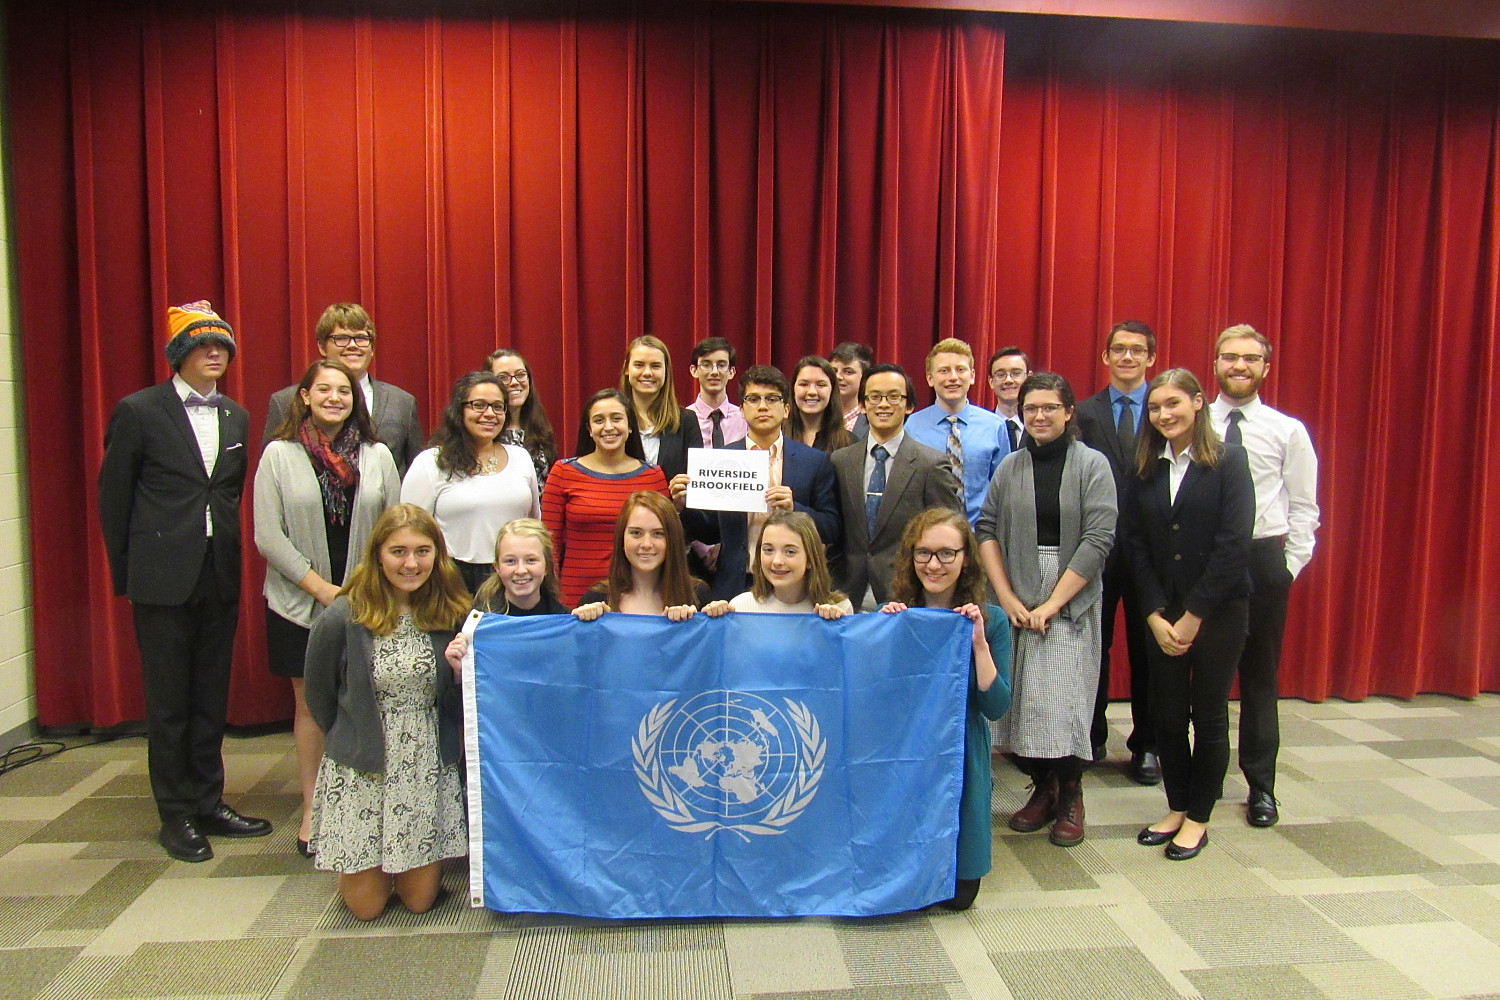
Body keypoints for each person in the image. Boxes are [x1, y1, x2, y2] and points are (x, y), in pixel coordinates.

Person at [98, 300, 271, 862]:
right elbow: (113, 498)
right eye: (203, 345)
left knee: (209, 695)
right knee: (169, 701)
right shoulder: (139, 410)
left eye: (223, 346)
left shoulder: (236, 416)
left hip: (218, 574)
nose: (215, 353)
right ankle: (175, 814)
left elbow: (228, 494)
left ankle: (208, 800)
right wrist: (129, 575)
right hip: (161, 579)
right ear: (179, 354)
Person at [255, 360, 401, 855]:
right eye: (324, 389)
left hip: (369, 600)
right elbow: (268, 535)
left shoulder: (378, 455)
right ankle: (313, 807)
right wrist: (322, 590)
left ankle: (372, 805)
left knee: (371, 700)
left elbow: (394, 528)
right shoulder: (278, 454)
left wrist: (361, 590)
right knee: (312, 706)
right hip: (297, 603)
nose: (335, 397)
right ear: (304, 396)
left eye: (344, 390)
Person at [303, 504, 471, 918]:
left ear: (437, 555)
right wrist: (349, 737)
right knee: (367, 907)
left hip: (424, 765)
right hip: (363, 766)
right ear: (378, 555)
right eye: (399, 551)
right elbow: (319, 695)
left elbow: (459, 704)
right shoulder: (345, 615)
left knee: (419, 902)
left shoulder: (450, 613)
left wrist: (456, 676)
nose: (411, 563)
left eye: (422, 551)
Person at [976, 373, 1116, 848]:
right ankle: (1044, 788)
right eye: (1031, 408)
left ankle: (1071, 793)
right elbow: (987, 529)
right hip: (1015, 589)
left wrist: (1055, 602)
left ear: (1069, 412)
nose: (1039, 416)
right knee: (1021, 705)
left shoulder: (1092, 464)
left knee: (1060, 703)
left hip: (1070, 596)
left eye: (1050, 407)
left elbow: (1098, 538)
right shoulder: (1010, 466)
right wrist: (1007, 598)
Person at [1126, 369, 1253, 861]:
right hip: (1162, 613)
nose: (1164, 414)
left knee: (1209, 713)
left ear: (1198, 402)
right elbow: (1135, 545)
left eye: (1173, 403)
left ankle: (1199, 816)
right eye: (1155, 407)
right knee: (1169, 715)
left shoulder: (1229, 460)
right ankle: (1176, 806)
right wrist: (1154, 613)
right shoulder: (1145, 466)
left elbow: (1233, 544)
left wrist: (1194, 614)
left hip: (1217, 611)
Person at [1209, 324, 1320, 827]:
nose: (1239, 366)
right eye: (1230, 357)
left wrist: (1287, 568)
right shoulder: (1195, 423)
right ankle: (1202, 781)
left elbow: (1305, 508)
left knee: (1258, 678)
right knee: (1204, 680)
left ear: (1265, 368)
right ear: (1215, 363)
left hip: (1262, 562)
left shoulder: (1286, 430)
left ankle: (1261, 786)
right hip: (1208, 562)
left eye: (1250, 359)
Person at [880, 508, 1010, 911]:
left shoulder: (991, 620)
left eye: (946, 554)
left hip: (960, 752)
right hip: (908, 752)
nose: (933, 565)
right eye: (923, 553)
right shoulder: (895, 615)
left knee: (959, 899)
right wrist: (882, 638)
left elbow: (996, 706)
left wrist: (979, 645)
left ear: (966, 558)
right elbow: (878, 699)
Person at [1073, 320, 1161, 784]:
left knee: (1150, 649)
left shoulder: (1166, 410)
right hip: (1097, 549)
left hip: (1154, 552)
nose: (1128, 357)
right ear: (1105, 357)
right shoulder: (1084, 413)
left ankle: (1147, 744)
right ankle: (1091, 735)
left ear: (1151, 358)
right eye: (1119, 350)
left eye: (1137, 350)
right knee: (1094, 646)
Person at [672, 365, 841, 602]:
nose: (762, 406)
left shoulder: (814, 461)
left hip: (795, 586)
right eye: (753, 399)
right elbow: (710, 533)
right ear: (741, 409)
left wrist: (796, 508)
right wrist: (684, 506)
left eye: (772, 399)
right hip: (736, 584)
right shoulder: (722, 459)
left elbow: (831, 528)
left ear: (786, 409)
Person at [830, 364, 962, 607]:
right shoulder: (841, 461)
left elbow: (950, 532)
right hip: (846, 594)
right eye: (875, 397)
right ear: (862, 405)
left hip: (906, 595)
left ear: (909, 405)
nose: (883, 404)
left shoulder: (931, 464)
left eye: (893, 397)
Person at [402, 372, 540, 594]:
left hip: (515, 579)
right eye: (479, 405)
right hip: (451, 581)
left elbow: (534, 522)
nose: (490, 414)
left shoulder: (521, 457)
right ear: (459, 411)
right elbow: (410, 530)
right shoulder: (431, 462)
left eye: (498, 407)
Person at [542, 388, 672, 606]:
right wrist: (551, 598)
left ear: (630, 426)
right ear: (589, 429)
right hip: (574, 598)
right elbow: (548, 545)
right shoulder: (563, 472)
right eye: (599, 420)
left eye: (616, 418)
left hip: (637, 601)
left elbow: (667, 542)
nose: (608, 427)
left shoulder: (654, 476)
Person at [264, 303, 425, 475]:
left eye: (361, 338)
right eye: (341, 338)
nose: (353, 345)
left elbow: (415, 474)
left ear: (372, 348)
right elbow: (271, 472)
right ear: (322, 347)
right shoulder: (285, 402)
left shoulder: (402, 403)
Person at [906, 338, 1009, 525]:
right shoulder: (912, 426)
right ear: (930, 378)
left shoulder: (995, 426)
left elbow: (1003, 488)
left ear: (973, 375)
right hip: (929, 532)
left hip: (981, 532)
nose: (953, 377)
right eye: (944, 371)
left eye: (960, 369)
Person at [571, 491, 707, 620]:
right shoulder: (595, 599)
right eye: (636, 533)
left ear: (673, 539)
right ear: (622, 539)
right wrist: (583, 624)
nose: (646, 544)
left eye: (658, 533)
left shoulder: (697, 595)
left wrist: (715, 614)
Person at [701, 510, 852, 618]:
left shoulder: (840, 608)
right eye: (768, 550)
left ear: (811, 559)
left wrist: (835, 627)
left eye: (790, 552)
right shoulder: (740, 606)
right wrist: (713, 620)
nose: (777, 561)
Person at [619, 334, 702, 480]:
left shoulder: (686, 421)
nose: (647, 373)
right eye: (639, 365)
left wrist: (682, 492)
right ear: (626, 368)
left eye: (655, 366)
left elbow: (696, 480)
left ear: (666, 371)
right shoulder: (612, 421)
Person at [471, 518, 571, 616]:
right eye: (510, 561)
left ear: (547, 566)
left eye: (531, 560)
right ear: (497, 567)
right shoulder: (480, 620)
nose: (521, 570)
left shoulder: (563, 619)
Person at [486, 348, 556, 487]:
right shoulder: (483, 433)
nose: (514, 382)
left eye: (520, 374)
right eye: (503, 377)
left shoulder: (540, 430)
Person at [685, 337, 746, 448]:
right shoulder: (682, 421)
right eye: (706, 365)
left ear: (731, 372)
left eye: (721, 365)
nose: (714, 372)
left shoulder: (745, 419)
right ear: (694, 371)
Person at [786, 356, 852, 454]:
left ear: (832, 390)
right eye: (804, 384)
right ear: (793, 389)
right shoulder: (775, 437)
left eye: (821, 385)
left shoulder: (850, 442)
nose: (812, 392)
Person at [987, 346, 1030, 451]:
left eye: (1016, 373)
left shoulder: (1040, 425)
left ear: (1029, 378)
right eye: (1001, 375)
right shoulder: (980, 427)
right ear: (991, 382)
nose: (1008, 380)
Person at [829, 341, 873, 438]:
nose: (838, 376)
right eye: (833, 371)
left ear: (864, 377)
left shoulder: (873, 420)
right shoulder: (816, 415)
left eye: (848, 372)